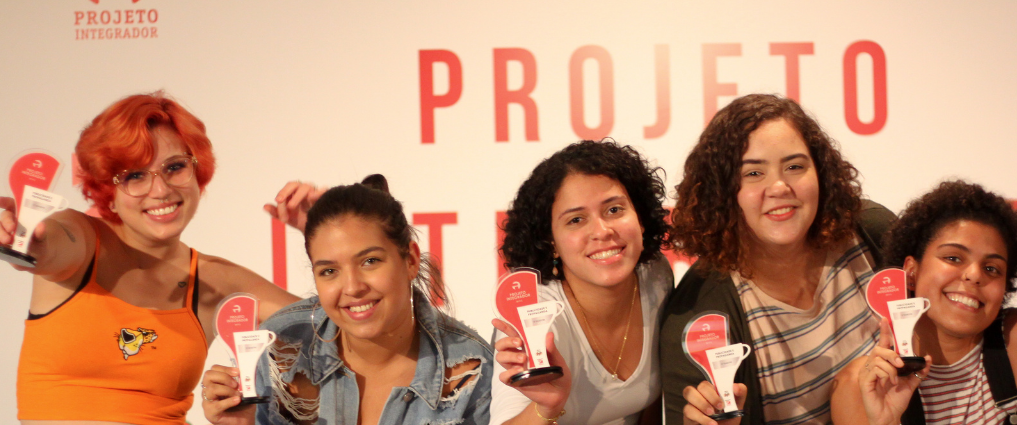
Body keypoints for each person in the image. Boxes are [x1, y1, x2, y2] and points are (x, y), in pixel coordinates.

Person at [0, 92, 299, 424]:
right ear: (107, 193)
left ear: (197, 174)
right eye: (134, 176)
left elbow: (330, 329)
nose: (160, 190)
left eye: (175, 167)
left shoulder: (219, 279)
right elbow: (49, 245)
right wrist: (25, 239)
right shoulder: (81, 236)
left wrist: (321, 230)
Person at [660, 94, 896, 425]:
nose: (780, 186)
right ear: (723, 192)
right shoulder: (698, 310)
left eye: (795, 167)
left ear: (821, 172)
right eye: (754, 173)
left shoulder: (871, 232)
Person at [200, 175, 494, 425]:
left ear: (411, 260)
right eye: (329, 271)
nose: (352, 287)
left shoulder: (469, 366)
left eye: (370, 261)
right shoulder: (280, 344)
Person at [491, 140, 673, 425]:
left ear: (640, 218)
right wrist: (547, 408)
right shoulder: (534, 313)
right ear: (551, 242)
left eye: (614, 210)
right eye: (576, 220)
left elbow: (650, 403)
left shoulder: (656, 276)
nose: (602, 231)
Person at [830, 180, 1017, 425]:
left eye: (992, 268)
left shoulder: (1012, 340)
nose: (974, 275)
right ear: (911, 272)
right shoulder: (860, 387)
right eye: (953, 258)